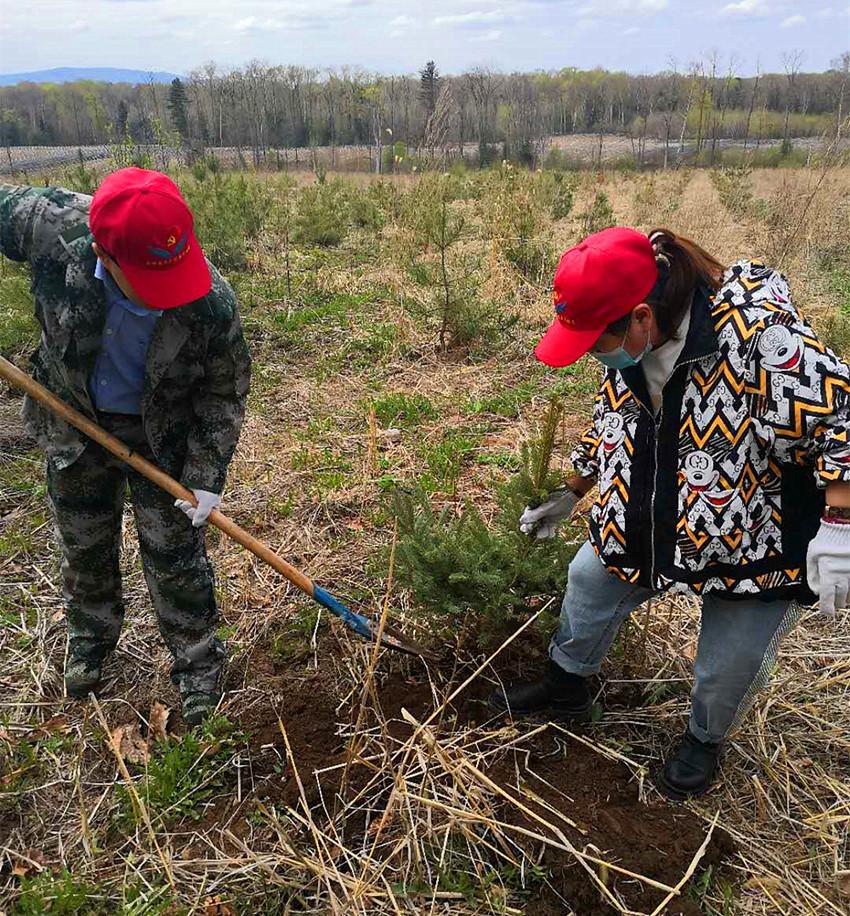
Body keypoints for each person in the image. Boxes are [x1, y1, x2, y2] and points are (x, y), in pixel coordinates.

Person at [491, 226, 850, 800]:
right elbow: (614, 420)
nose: (593, 355)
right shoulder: (633, 349)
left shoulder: (758, 341)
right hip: (648, 511)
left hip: (751, 531)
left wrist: (840, 526)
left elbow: (840, 419)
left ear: (640, 315)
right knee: (588, 578)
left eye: (596, 340)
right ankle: (567, 687)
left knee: (725, 663)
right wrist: (573, 488)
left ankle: (703, 740)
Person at [0, 168, 251, 726]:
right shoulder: (46, 225)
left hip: (162, 437)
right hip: (74, 423)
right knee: (84, 542)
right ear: (103, 255)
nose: (173, 293)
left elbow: (224, 390)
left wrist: (206, 474)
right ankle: (90, 638)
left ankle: (197, 664)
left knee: (174, 555)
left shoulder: (211, 302)